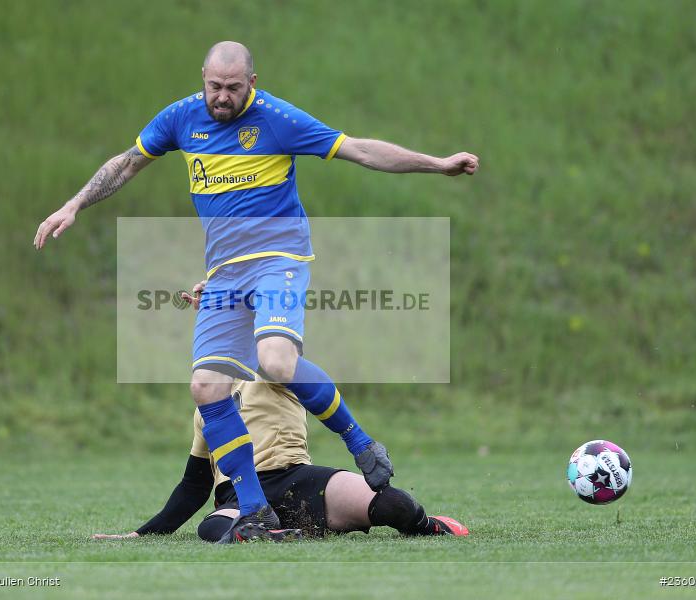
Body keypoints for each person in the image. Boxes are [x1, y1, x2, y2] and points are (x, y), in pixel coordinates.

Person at [35, 41, 479, 543]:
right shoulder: (181, 118)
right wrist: (74, 205)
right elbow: (126, 163)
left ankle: (361, 443)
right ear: (202, 76)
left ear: (252, 81)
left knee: (275, 361)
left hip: (278, 260)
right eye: (214, 86)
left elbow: (358, 149)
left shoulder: (276, 119)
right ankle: (255, 511)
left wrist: (437, 164)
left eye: (233, 87)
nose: (221, 97)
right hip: (223, 274)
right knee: (206, 387)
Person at [92, 379, 469, 542]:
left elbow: (280, 350)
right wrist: (142, 534)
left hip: (297, 481)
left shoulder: (271, 368)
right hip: (238, 497)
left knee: (396, 505)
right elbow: (193, 487)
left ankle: (429, 526)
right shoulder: (206, 405)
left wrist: (231, 297)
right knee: (212, 529)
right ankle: (276, 534)